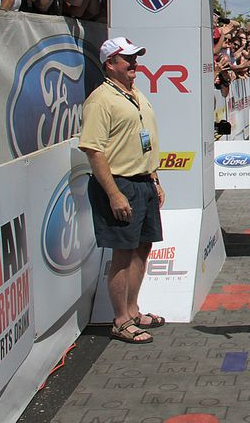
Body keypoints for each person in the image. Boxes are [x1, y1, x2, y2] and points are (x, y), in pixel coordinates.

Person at [79, 37, 167, 344]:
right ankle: (119, 320)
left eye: (135, 58)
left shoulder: (134, 93)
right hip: (119, 183)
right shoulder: (100, 100)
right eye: (126, 58)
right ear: (110, 64)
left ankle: (132, 311)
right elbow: (93, 150)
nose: (134, 63)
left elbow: (143, 140)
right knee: (122, 253)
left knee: (142, 248)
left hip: (142, 181)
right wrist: (114, 193)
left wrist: (154, 179)